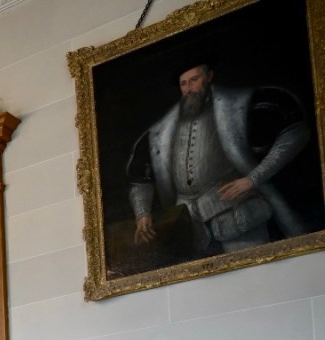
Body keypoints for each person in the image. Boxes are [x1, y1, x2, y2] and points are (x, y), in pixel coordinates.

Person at [128, 60, 312, 258]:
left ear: (209, 77)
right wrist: (142, 214)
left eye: (194, 80)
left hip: (238, 215)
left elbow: (295, 133)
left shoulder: (240, 107)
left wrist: (253, 179)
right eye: (183, 84)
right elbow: (140, 179)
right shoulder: (163, 130)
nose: (188, 89)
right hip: (191, 226)